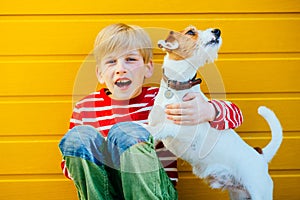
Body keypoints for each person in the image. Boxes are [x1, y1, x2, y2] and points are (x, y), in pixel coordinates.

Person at [58, 23, 243, 200]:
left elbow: (236, 115)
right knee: (78, 137)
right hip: (104, 191)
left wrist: (209, 110)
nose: (120, 69)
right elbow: (70, 167)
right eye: (111, 62)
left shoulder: (163, 98)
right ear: (99, 73)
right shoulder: (85, 108)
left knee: (127, 133)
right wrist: (103, 155)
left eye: (130, 59)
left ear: (148, 68)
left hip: (154, 191)